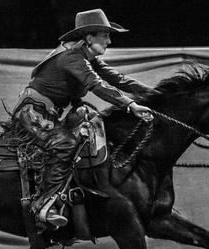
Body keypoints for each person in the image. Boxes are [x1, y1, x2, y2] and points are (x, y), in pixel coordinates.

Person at [11, 8, 155, 228]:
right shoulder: (72, 57)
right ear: (89, 37)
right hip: (32, 113)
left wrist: (156, 95)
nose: (109, 41)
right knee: (64, 143)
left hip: (51, 113)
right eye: (105, 35)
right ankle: (42, 205)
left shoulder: (85, 57)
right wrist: (131, 105)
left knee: (91, 121)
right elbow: (97, 85)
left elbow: (119, 79)